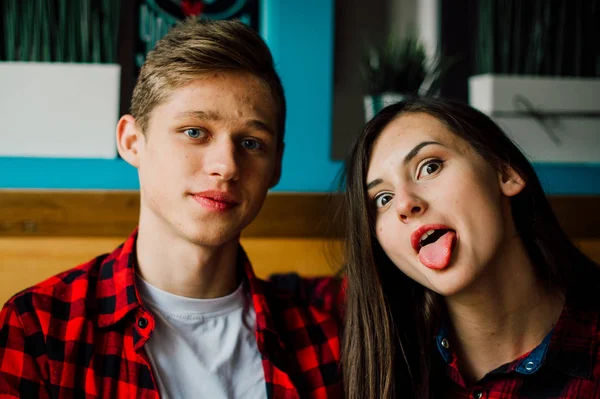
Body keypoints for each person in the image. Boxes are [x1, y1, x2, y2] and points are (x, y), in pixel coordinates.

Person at [0, 19, 343, 399]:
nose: (226, 166)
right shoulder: (37, 329)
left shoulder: (324, 341)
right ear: (132, 141)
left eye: (251, 143)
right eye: (195, 132)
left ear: (275, 166)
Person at [341, 97, 600, 398]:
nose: (404, 204)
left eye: (430, 167)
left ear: (506, 173)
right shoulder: (384, 359)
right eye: (383, 199)